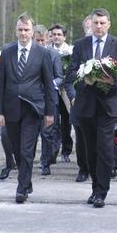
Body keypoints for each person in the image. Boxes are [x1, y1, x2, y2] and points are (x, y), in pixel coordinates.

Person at [64, 8, 117, 208]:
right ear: (90, 24)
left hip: (108, 106)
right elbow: (70, 77)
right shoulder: (80, 45)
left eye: (103, 23)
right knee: (89, 151)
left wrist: (113, 81)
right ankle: (95, 187)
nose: (99, 26)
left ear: (109, 24)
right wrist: (75, 95)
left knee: (104, 149)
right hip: (85, 106)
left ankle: (101, 191)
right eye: (96, 23)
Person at [0, 13, 55, 203]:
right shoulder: (7, 51)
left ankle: (21, 188)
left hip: (32, 109)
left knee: (27, 150)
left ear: (32, 30)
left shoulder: (42, 53)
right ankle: (26, 180)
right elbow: (0, 83)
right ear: (16, 30)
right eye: (20, 29)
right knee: (17, 150)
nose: (23, 33)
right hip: (11, 108)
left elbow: (49, 84)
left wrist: (50, 112)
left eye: (27, 30)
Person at [33, 25, 64, 176]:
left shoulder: (53, 54)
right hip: (31, 99)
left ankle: (45, 163)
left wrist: (49, 83)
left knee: (47, 133)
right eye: (37, 40)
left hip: (48, 99)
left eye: (42, 40)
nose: (39, 43)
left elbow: (60, 77)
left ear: (47, 39)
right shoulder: (27, 54)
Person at [49, 24, 74, 162]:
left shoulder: (70, 51)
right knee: (53, 123)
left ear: (64, 36)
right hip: (52, 90)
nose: (56, 37)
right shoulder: (46, 51)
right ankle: (52, 151)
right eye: (54, 34)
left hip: (65, 90)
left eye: (59, 34)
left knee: (66, 122)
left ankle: (66, 150)